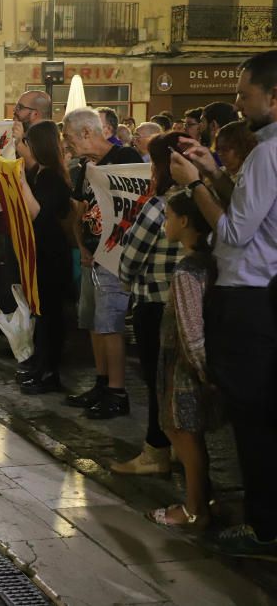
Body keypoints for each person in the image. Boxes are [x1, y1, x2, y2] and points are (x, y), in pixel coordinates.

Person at [169, 50, 277, 558]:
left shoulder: (267, 154)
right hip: (266, 294)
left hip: (250, 300)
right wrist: (215, 175)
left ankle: (263, 525)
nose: (237, 104)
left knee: (252, 417)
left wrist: (193, 184)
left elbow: (233, 231)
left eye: (244, 94)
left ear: (273, 97)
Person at [63, 107, 144, 419]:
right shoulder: (86, 165)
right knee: (94, 322)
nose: (67, 145)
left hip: (114, 255)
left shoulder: (125, 159)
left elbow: (134, 207)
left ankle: (117, 391)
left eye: (70, 138)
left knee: (110, 325)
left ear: (87, 132)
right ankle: (101, 382)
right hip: (91, 253)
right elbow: (81, 208)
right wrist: (82, 244)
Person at [144, 189, 219, 530]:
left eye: (170, 217)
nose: (165, 223)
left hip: (184, 369)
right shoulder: (209, 261)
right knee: (187, 433)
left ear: (185, 221)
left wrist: (205, 373)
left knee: (183, 433)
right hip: (190, 365)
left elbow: (191, 331)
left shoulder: (188, 271)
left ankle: (194, 508)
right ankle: (203, 499)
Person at [111, 132, 185, 475]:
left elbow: (131, 258)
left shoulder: (161, 206)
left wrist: (128, 280)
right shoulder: (199, 199)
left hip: (155, 302)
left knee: (157, 381)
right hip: (187, 303)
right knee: (177, 382)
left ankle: (156, 450)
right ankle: (180, 449)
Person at [15, 121, 73, 393]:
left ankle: (50, 373)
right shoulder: (43, 173)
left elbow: (38, 212)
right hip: (42, 249)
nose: (24, 146)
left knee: (50, 315)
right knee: (42, 313)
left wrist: (20, 183)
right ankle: (41, 366)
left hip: (51, 251)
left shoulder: (52, 178)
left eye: (28, 141)